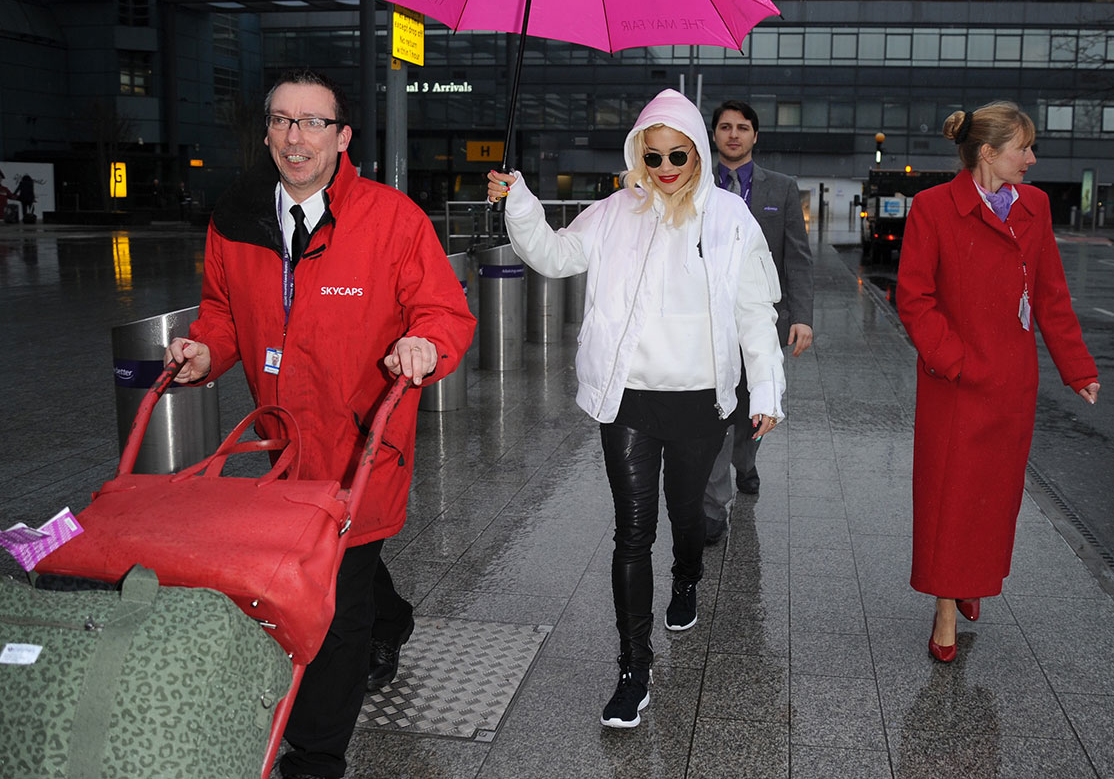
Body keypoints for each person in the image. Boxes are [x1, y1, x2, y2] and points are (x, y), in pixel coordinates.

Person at [165, 68, 475, 779]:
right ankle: (391, 618)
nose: (295, 137)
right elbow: (221, 311)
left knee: (336, 611)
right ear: (266, 131)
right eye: (281, 120)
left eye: (312, 123)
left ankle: (315, 759)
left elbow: (445, 311)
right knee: (335, 564)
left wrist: (425, 342)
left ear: (342, 137)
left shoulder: (391, 219)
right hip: (285, 448)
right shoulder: (237, 215)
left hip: (366, 444)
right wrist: (204, 351)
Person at [486, 89, 785, 729]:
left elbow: (756, 312)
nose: (666, 167)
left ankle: (685, 577)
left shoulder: (731, 218)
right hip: (626, 400)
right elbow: (557, 255)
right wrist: (519, 201)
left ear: (698, 153)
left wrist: (767, 391)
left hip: (701, 402)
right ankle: (633, 667)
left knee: (687, 516)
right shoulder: (616, 211)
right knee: (631, 530)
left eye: (678, 154)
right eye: (653, 157)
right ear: (638, 156)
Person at [896, 101, 1100, 664]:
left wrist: (1077, 366)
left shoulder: (1034, 206)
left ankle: (973, 578)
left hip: (1012, 383)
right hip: (955, 385)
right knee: (948, 499)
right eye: (1023, 149)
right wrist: (955, 360)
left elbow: (1052, 294)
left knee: (993, 500)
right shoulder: (934, 208)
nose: (1032, 160)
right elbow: (913, 297)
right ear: (988, 153)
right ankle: (944, 611)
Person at [703, 100, 814, 544]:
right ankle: (714, 506)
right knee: (716, 413)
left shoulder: (782, 189)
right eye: (725, 127)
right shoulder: (695, 183)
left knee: (752, 407)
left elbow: (798, 259)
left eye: (742, 128)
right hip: (710, 324)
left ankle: (745, 461)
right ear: (713, 135)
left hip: (765, 321)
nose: (733, 134)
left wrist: (801, 317)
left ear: (754, 136)